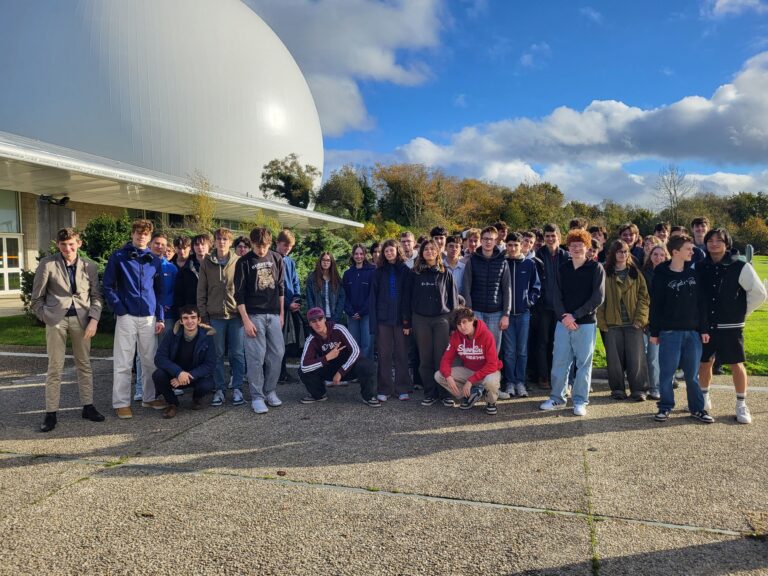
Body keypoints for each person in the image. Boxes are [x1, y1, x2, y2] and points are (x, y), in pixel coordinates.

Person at [31, 227, 105, 432]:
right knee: (55, 367)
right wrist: (47, 318)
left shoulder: (90, 266)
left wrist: (94, 320)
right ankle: (51, 413)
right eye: (63, 245)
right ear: (58, 245)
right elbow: (36, 299)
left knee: (85, 365)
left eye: (71, 244)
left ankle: (88, 407)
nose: (67, 248)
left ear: (79, 243)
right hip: (57, 321)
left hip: (82, 321)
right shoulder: (48, 264)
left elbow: (97, 297)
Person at [697, 228, 767, 424]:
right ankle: (703, 399)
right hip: (707, 325)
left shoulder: (740, 266)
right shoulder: (700, 266)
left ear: (727, 243)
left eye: (719, 240)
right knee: (704, 362)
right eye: (710, 240)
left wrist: (741, 313)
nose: (713, 244)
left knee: (736, 364)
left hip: (732, 325)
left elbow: (759, 293)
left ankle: (741, 404)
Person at [103, 219, 166, 419]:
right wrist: (120, 309)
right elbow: (107, 286)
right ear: (132, 234)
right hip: (127, 316)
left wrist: (160, 317)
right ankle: (121, 403)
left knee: (150, 361)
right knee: (123, 361)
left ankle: (149, 397)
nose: (141, 236)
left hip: (148, 317)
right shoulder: (119, 257)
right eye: (138, 233)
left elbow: (159, 292)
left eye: (145, 234)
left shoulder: (154, 260)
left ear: (149, 237)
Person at [540, 229, 605, 417]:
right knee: (560, 361)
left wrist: (574, 316)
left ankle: (579, 401)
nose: (576, 249)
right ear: (568, 248)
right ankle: (557, 398)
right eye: (573, 245)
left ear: (587, 247)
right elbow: (556, 295)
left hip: (585, 323)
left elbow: (597, 298)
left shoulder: (596, 268)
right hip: (563, 323)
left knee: (583, 363)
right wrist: (564, 317)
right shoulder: (563, 268)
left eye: (580, 245)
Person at [649, 235, 714, 424]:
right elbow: (656, 306)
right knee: (667, 374)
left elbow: (701, 304)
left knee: (692, 376)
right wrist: (654, 332)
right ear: (676, 252)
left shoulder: (694, 274)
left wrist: (703, 329)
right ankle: (665, 407)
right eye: (688, 249)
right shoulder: (661, 275)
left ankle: (697, 409)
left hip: (693, 334)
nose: (692, 252)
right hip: (669, 333)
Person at [234, 227, 285, 415]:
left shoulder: (277, 258)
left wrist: (281, 314)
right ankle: (256, 396)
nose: (261, 250)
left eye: (264, 246)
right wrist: (245, 320)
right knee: (256, 358)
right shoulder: (243, 262)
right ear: (252, 244)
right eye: (257, 246)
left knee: (278, 354)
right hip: (253, 315)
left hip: (273, 315)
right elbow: (238, 295)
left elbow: (280, 288)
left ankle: (270, 390)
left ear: (270, 244)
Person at [403, 239, 459, 407]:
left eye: (431, 249)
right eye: (425, 249)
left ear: (437, 252)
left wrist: (454, 324)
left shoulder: (445, 273)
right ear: (421, 253)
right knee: (425, 359)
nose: (428, 251)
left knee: (442, 358)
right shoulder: (414, 273)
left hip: (441, 320)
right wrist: (407, 321)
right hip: (420, 320)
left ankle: (445, 393)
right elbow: (406, 299)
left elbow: (453, 300)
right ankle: (430, 393)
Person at [197, 227, 245, 407]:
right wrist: (203, 315)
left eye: (225, 239)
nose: (221, 242)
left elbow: (243, 289)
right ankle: (219, 389)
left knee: (237, 354)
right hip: (215, 316)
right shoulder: (206, 262)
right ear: (214, 242)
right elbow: (201, 291)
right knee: (216, 355)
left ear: (230, 242)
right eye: (218, 239)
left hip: (236, 317)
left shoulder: (238, 261)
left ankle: (238, 388)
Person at [597, 240, 650, 401]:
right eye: (619, 251)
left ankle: (638, 389)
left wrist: (640, 319)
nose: (623, 254)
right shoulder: (605, 272)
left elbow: (644, 297)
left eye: (626, 251)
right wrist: (602, 322)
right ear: (613, 254)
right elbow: (600, 299)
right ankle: (618, 389)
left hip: (633, 323)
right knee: (614, 360)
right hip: (612, 323)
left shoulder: (635, 273)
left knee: (637, 358)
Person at [299, 307, 380, 407]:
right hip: (328, 367)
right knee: (303, 371)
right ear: (310, 324)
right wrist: (327, 357)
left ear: (324, 319)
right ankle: (318, 394)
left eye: (320, 319)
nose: (318, 323)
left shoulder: (339, 328)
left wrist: (341, 371)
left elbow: (356, 350)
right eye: (313, 321)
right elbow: (304, 366)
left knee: (367, 365)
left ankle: (369, 397)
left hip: (348, 368)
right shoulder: (311, 339)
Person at [133, 231, 178, 402]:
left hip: (167, 316)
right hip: (145, 315)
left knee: (166, 351)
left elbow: (175, 290)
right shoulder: (141, 263)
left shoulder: (171, 268)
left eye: (163, 244)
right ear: (150, 244)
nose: (160, 247)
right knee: (142, 354)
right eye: (156, 243)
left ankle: (165, 386)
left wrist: (168, 304)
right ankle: (140, 388)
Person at [435, 307, 503, 415]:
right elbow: (446, 360)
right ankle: (471, 394)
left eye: (465, 322)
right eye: (459, 324)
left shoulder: (487, 335)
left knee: (491, 382)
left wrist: (471, 380)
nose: (462, 327)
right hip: (469, 370)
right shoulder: (456, 336)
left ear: (472, 320)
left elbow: (492, 364)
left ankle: (491, 402)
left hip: (488, 372)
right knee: (439, 375)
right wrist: (448, 376)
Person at [153, 305, 216, 419]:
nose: (190, 321)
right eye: (186, 318)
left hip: (194, 376)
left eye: (193, 317)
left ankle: (196, 398)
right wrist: (178, 372)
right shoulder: (172, 334)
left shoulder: (207, 336)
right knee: (158, 375)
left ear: (199, 319)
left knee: (208, 384)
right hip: (174, 376)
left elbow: (210, 364)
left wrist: (188, 376)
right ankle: (172, 403)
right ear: (181, 321)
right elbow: (159, 358)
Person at [370, 239, 411, 401]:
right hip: (383, 320)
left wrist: (408, 322)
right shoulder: (378, 272)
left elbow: (408, 298)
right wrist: (373, 324)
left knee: (401, 354)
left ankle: (402, 388)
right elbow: (373, 298)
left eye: (391, 250)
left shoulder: (406, 271)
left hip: (401, 321)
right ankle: (384, 389)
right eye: (386, 251)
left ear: (397, 251)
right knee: (384, 355)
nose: (389, 253)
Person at [461, 225, 511, 355]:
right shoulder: (472, 260)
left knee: (493, 350)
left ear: (496, 241)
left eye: (491, 239)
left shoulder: (502, 261)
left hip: (496, 313)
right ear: (481, 241)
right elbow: (466, 286)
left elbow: (507, 288)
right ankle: (475, 375)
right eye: (485, 239)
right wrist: (469, 310)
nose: (488, 241)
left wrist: (506, 314)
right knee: (475, 349)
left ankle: (492, 375)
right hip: (476, 312)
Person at [501, 232, 540, 398]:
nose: (512, 248)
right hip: (507, 315)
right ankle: (510, 382)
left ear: (521, 245)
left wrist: (528, 302)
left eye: (515, 245)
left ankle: (520, 382)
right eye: (509, 245)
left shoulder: (529, 264)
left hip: (524, 314)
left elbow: (536, 287)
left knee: (522, 350)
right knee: (509, 351)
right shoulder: (503, 264)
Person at [534, 223, 570, 389]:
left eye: (553, 235)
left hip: (561, 307)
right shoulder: (538, 255)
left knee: (561, 344)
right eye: (547, 236)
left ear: (559, 237)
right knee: (543, 342)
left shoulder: (566, 256)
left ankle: (560, 376)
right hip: (543, 306)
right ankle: (543, 376)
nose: (550, 238)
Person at [642, 244, 670, 400]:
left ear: (666, 256)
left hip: (667, 321)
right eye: (655, 254)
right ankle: (653, 387)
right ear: (650, 256)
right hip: (648, 320)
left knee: (666, 356)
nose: (658, 257)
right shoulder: (644, 274)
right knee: (651, 357)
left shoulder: (671, 273)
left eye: (661, 254)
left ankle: (664, 384)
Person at [275, 229, 303, 383]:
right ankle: (277, 373)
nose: (288, 248)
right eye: (285, 245)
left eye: (290, 246)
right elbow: (274, 287)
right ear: (278, 243)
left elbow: (295, 282)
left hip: (291, 308)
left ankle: (283, 373)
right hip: (278, 308)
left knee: (285, 342)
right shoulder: (272, 259)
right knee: (277, 343)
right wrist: (287, 304)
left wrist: (297, 300)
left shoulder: (290, 262)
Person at [343, 244, 375, 359]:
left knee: (367, 344)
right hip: (352, 315)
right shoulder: (347, 274)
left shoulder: (372, 271)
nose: (359, 256)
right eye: (356, 254)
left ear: (365, 255)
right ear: (352, 255)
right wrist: (350, 311)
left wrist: (361, 312)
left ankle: (366, 371)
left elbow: (373, 295)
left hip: (367, 314)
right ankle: (355, 370)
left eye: (361, 254)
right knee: (353, 344)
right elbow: (344, 295)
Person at [173, 233, 211, 316]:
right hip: (191, 312)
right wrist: (182, 311)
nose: (200, 247)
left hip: (213, 311)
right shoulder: (186, 267)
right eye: (197, 244)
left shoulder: (216, 265)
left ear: (209, 245)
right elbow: (179, 293)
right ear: (193, 247)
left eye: (203, 244)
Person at [306, 252, 345, 324]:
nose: (325, 262)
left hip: (334, 317)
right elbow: (310, 299)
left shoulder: (337, 279)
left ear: (331, 262)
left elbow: (341, 299)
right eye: (323, 260)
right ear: (320, 261)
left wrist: (336, 317)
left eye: (328, 260)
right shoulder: (312, 278)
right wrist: (315, 316)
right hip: (318, 318)